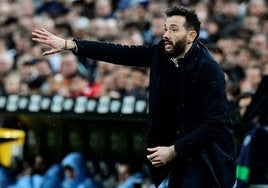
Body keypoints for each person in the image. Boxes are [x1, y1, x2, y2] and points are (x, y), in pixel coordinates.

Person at [32, 4, 236, 188]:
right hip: (173, 155)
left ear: (191, 36)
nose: (166, 34)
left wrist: (175, 149)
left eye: (174, 29)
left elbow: (215, 123)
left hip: (206, 158)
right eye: (165, 28)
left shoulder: (209, 69)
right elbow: (119, 52)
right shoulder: (162, 54)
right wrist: (71, 45)